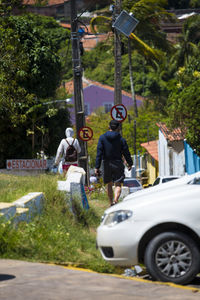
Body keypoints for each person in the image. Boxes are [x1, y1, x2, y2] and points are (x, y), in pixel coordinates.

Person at [95, 120, 133, 206]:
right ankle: (116, 200)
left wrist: (97, 167)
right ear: (118, 128)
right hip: (118, 163)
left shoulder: (102, 138)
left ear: (109, 127)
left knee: (109, 184)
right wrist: (130, 163)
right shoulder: (121, 139)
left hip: (106, 163)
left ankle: (110, 202)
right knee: (118, 184)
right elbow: (126, 152)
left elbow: (99, 153)